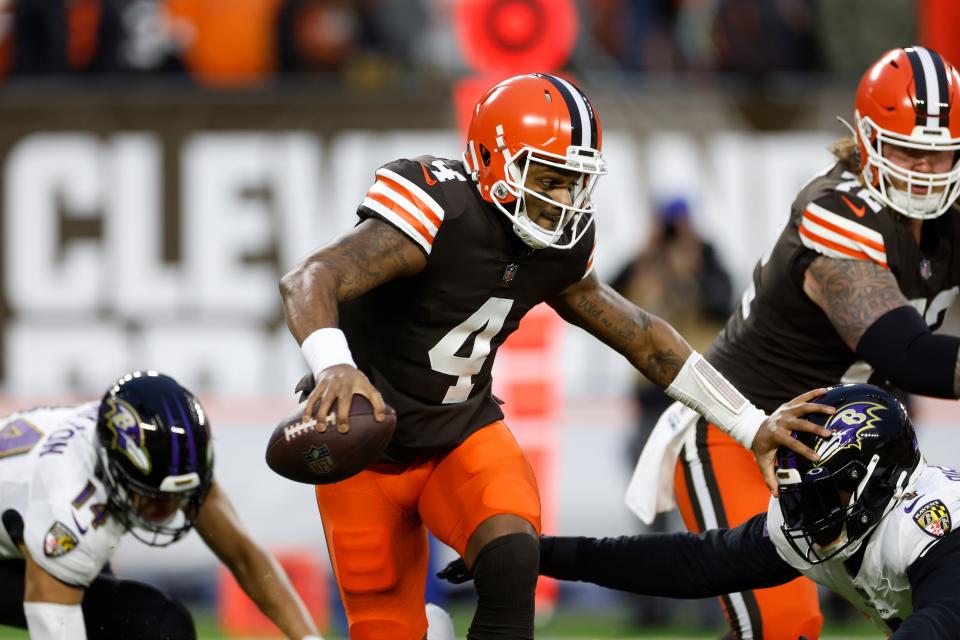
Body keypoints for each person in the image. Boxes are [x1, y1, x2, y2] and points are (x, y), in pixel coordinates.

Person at [279, 72, 832, 640]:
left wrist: (749, 423)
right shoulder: (436, 204)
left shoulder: (559, 249)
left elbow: (642, 337)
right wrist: (335, 365)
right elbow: (309, 278)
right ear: (495, 160)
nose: (563, 200)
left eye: (574, 182)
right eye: (550, 178)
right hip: (366, 451)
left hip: (460, 436)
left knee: (513, 557)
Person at [626, 45, 960, 639]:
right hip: (744, 431)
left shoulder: (949, 218)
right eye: (911, 151)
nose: (927, 173)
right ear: (868, 141)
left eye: (941, 156)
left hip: (844, 457)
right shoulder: (838, 212)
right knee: (784, 624)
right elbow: (907, 356)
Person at [441, 384, 960, 638]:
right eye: (800, 492)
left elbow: (942, 621)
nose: (806, 510)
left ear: (880, 477)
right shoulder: (811, 526)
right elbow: (687, 564)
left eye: (824, 493)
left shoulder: (935, 523)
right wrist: (533, 554)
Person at [0, 370, 322, 640]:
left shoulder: (172, 464)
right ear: (113, 468)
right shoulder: (66, 507)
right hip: (26, 536)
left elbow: (246, 559)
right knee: (158, 627)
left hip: (31, 521)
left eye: (177, 496)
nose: (168, 508)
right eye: (154, 496)